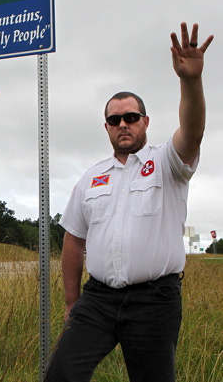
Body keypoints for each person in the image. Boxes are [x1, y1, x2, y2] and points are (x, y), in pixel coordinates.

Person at [44, 22, 213, 382]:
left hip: (155, 300)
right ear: (106, 126)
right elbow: (73, 239)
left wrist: (190, 81)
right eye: (115, 119)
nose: (123, 124)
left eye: (131, 118)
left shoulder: (167, 161)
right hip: (98, 299)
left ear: (145, 122)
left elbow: (194, 131)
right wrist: (72, 302)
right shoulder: (91, 178)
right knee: (60, 374)